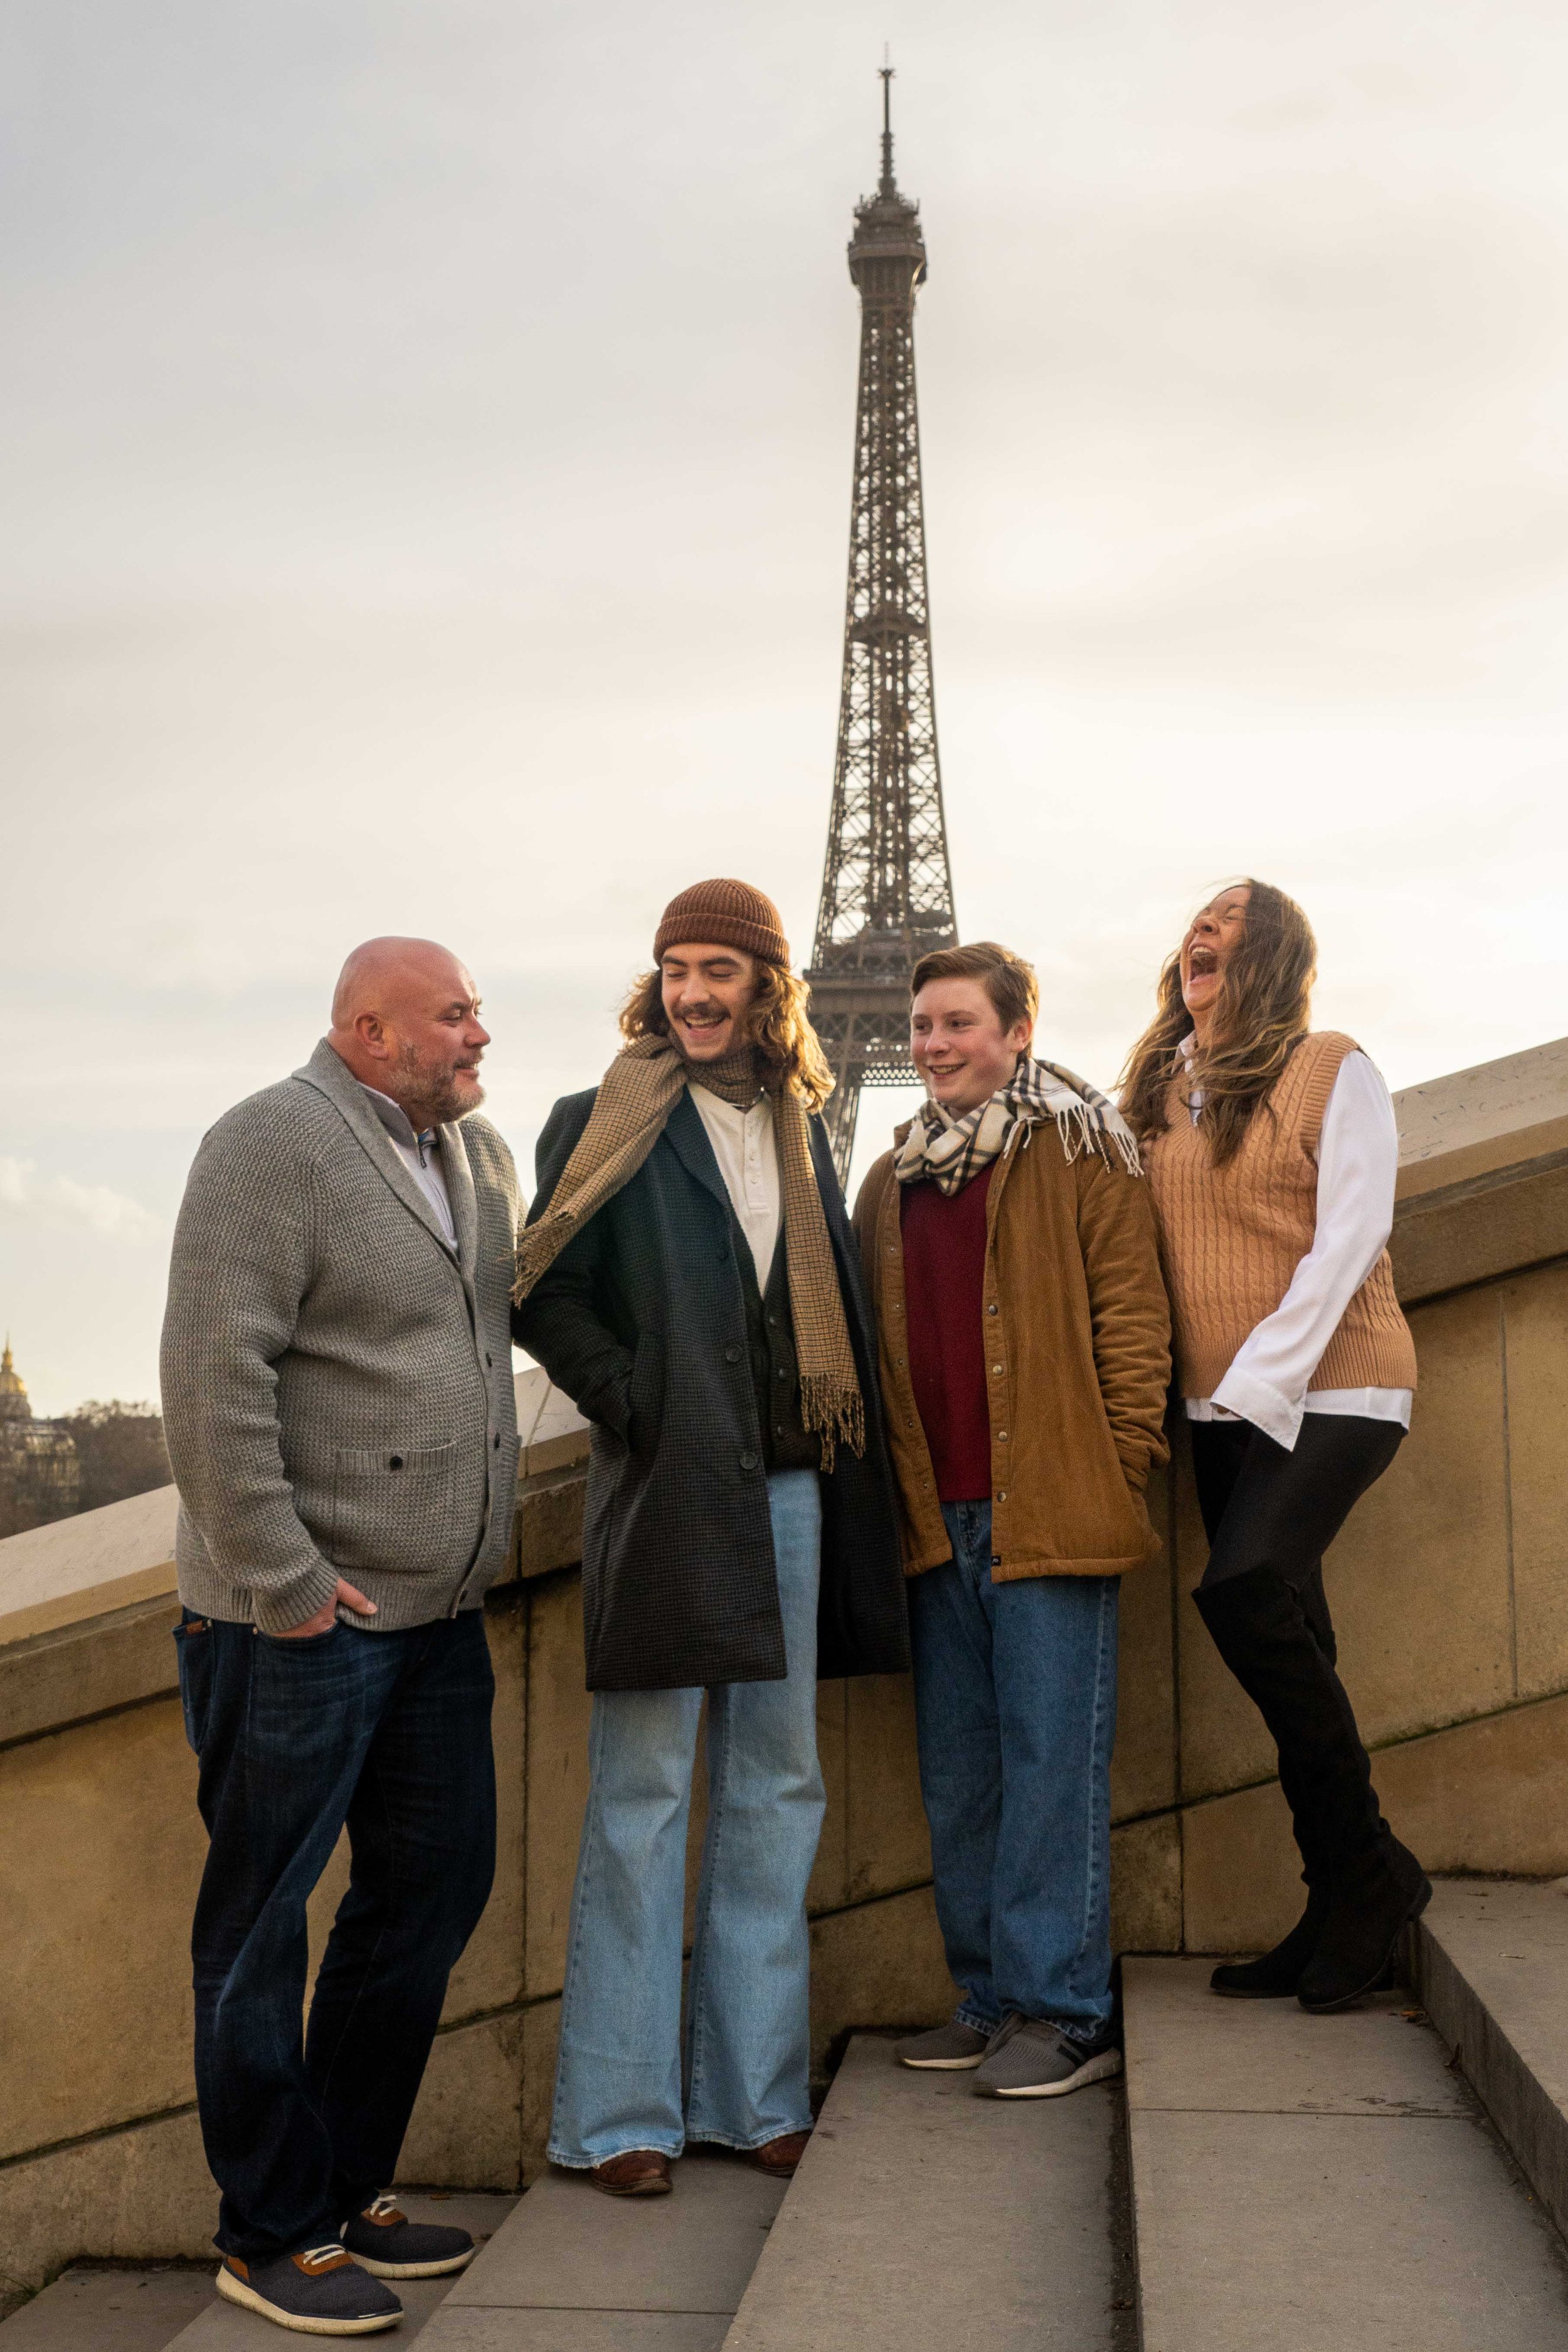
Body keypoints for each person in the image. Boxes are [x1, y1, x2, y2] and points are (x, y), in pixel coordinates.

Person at [512, 878, 908, 2195]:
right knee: (643, 1796)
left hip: (792, 1488)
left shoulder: (799, 1125)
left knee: (774, 1793)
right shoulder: (601, 1120)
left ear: (764, 989)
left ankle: (752, 2095)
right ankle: (617, 2116)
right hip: (672, 1493)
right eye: (674, 966)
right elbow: (540, 1288)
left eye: (716, 970)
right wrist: (633, 1401)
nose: (691, 989)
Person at [159, 938, 522, 2338]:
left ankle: (345, 2186)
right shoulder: (266, 1145)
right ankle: (266, 2230)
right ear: (370, 1032)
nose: (476, 1031)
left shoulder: (477, 1156)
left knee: (427, 1900)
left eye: (475, 1008)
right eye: (452, 1014)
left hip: (436, 1617)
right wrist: (284, 1578)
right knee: (259, 1927)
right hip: (296, 1623)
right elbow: (209, 1376)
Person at [852, 942, 1171, 2099]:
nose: (935, 1045)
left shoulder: (1083, 1150)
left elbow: (1133, 1322)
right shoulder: (887, 1181)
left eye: (959, 1024)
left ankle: (1065, 2010)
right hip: (935, 1518)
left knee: (1052, 1763)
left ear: (1017, 1030)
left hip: (1050, 1505)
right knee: (962, 1770)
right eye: (923, 1026)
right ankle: (988, 1993)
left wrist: (1121, 1466)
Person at [1123, 880, 1428, 2011]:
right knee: (1299, 1635)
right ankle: (1340, 1891)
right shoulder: (1158, 1090)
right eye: (1199, 921)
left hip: (1341, 1385)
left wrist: (1265, 1376)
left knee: (1246, 1589)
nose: (1205, 934)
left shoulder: (1331, 1066)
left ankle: (1374, 1873)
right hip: (1215, 1409)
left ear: (1275, 957)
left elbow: (1353, 1232)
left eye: (1233, 926)